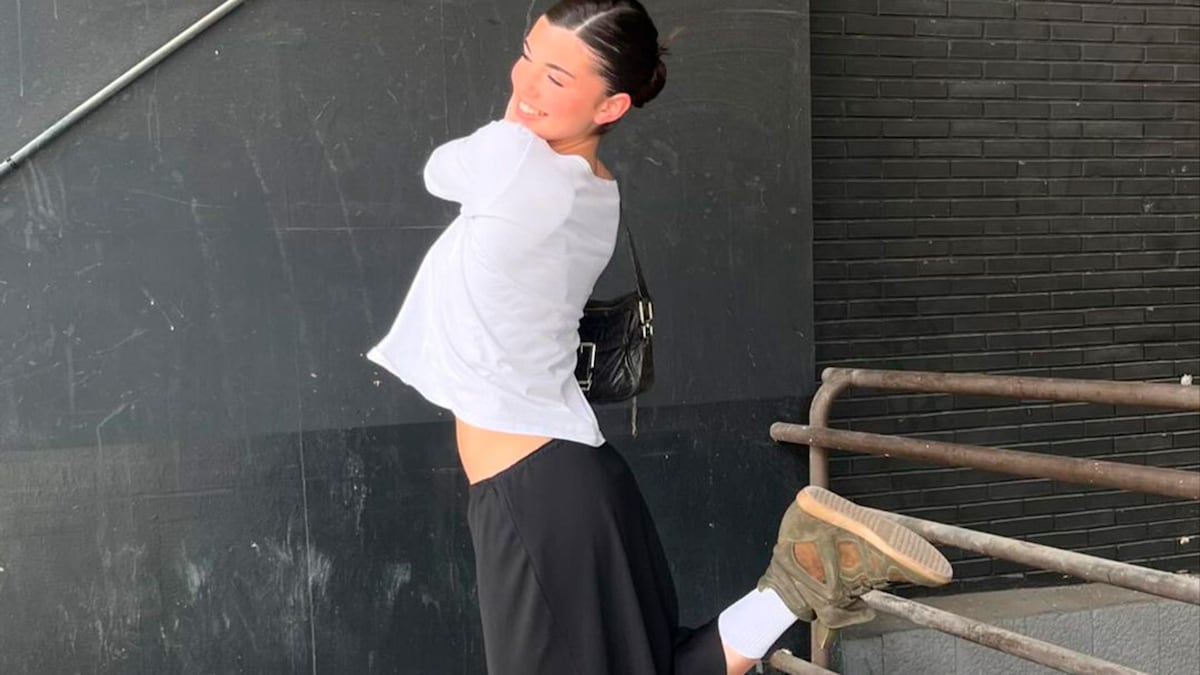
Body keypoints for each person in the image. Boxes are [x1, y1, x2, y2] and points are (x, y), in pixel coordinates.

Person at [367, 2, 953, 673]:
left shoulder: (514, 161)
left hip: (530, 496)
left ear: (612, 105)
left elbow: (440, 170)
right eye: (527, 56)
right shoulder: (595, 191)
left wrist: (516, 122)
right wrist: (542, 104)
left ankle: (808, 569)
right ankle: (806, 573)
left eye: (556, 77)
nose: (525, 83)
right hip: (571, 479)